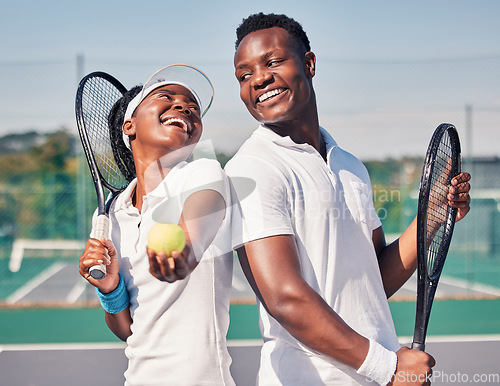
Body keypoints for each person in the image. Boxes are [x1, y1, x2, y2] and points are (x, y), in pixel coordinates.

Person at [225, 13, 472, 386]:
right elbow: (284, 298)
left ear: (309, 64)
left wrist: (431, 217)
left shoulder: (350, 165)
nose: (258, 79)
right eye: (245, 75)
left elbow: (374, 280)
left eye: (273, 61)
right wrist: (388, 368)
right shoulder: (250, 168)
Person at [79, 64, 236, 386]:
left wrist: (185, 251)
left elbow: (199, 217)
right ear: (129, 124)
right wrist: (110, 290)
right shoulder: (110, 216)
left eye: (193, 108)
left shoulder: (203, 174)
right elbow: (129, 330)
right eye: (167, 97)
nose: (184, 107)